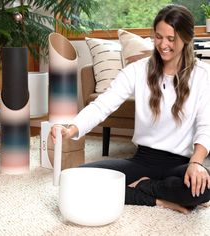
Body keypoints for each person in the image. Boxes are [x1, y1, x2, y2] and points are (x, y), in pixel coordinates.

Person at [51, 4, 210, 214]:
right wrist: (71, 128)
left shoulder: (202, 74)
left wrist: (197, 163)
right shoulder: (137, 70)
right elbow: (103, 104)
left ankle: (144, 187)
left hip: (181, 164)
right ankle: (159, 200)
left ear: (186, 38)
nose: (163, 45)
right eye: (159, 37)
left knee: (203, 188)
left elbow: (205, 125)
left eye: (171, 39)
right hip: (143, 161)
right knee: (76, 178)